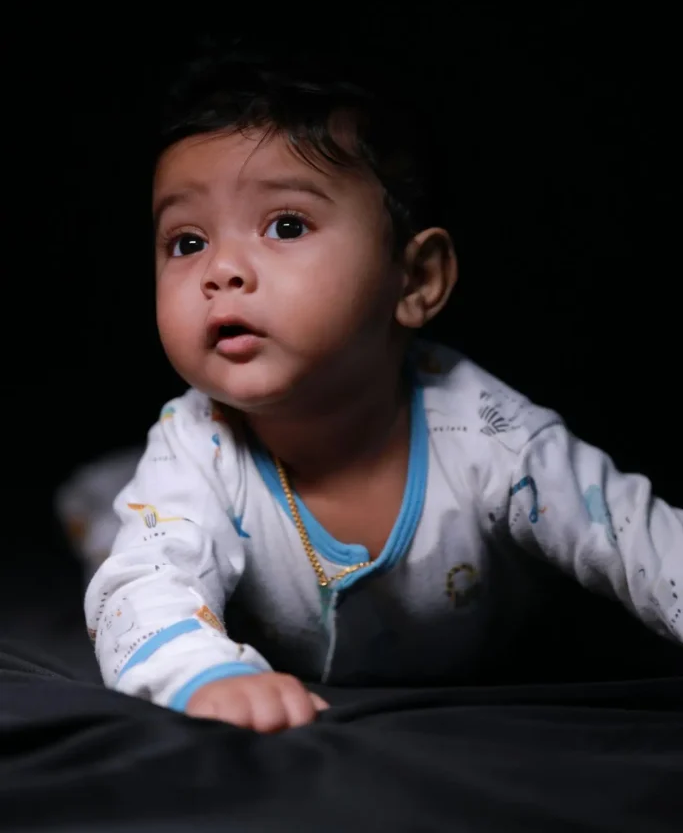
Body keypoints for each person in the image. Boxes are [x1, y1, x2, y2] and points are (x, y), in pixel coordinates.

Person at [85, 47, 683, 733]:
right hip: (184, 532)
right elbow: (143, 583)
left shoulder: (488, 435)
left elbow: (641, 539)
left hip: (485, 656)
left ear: (415, 279)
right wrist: (202, 673)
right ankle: (96, 499)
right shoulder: (199, 442)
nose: (220, 269)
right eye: (186, 241)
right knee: (127, 533)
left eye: (285, 225)